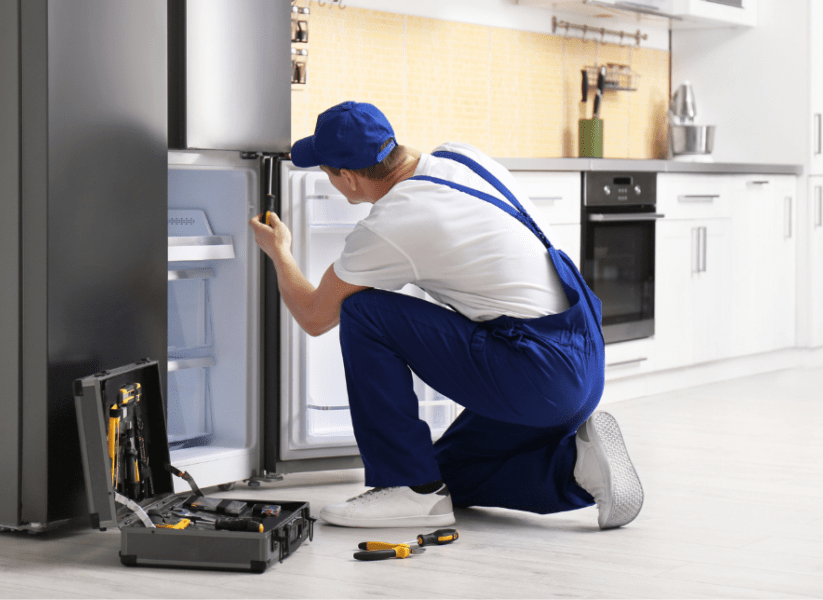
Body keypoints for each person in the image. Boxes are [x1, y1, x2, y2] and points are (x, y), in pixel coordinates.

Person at [249, 101, 643, 530]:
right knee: (445, 476)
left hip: (538, 373)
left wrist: (280, 251)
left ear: (349, 177)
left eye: (328, 173)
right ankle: (578, 469)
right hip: (583, 360)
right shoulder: (460, 157)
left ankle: (407, 487)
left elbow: (314, 316)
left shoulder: (392, 221)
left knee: (363, 312)